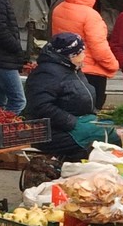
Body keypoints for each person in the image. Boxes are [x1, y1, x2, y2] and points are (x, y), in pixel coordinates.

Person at [23, 33, 97, 161]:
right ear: (70, 55)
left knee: (109, 132)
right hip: (48, 131)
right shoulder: (46, 73)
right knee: (99, 141)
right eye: (81, 53)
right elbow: (41, 106)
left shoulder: (72, 68)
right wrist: (72, 122)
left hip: (73, 123)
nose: (84, 57)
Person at [51, 0, 118, 109]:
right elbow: (99, 48)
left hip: (65, 68)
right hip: (90, 73)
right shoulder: (91, 16)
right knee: (91, 112)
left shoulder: (58, 9)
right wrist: (113, 65)